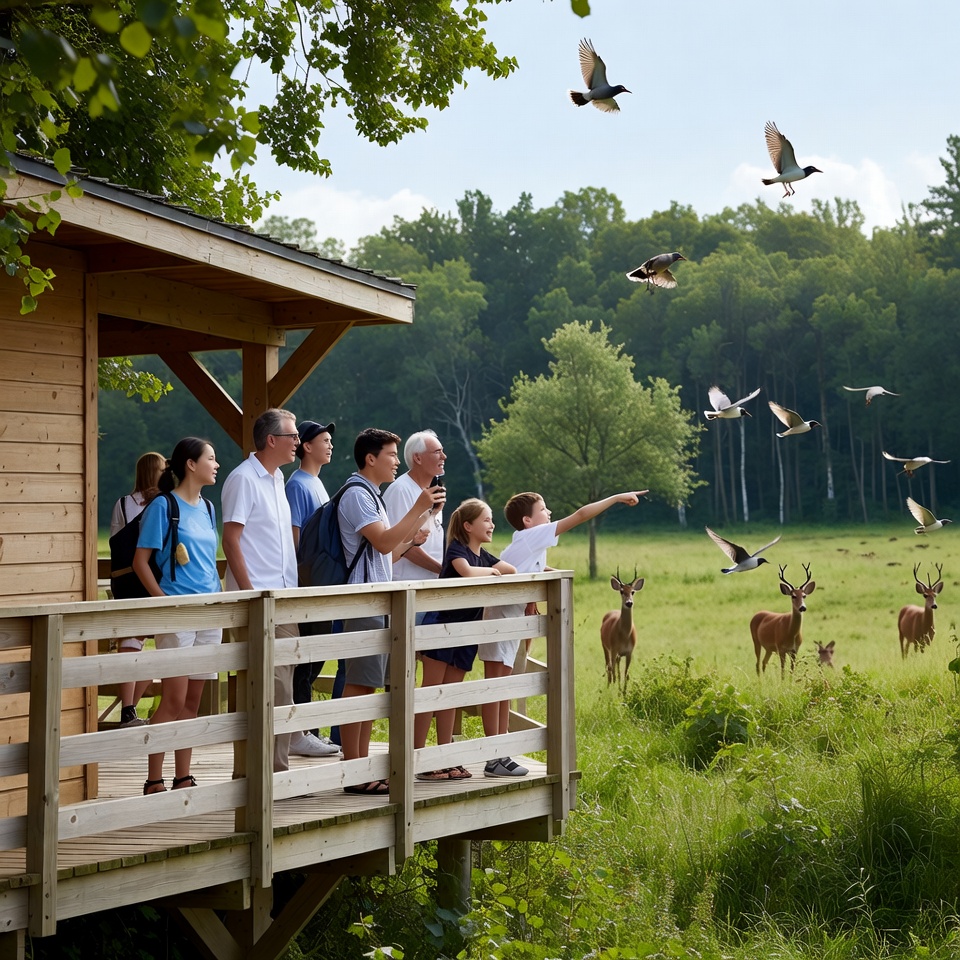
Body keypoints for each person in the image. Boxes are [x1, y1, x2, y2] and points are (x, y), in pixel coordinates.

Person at [479, 488, 647, 778]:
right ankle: (494, 758)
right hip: (499, 621)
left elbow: (533, 567)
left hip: (508, 621)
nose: (550, 514)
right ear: (528, 521)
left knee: (502, 688)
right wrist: (617, 497)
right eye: (544, 510)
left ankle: (500, 753)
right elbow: (581, 515)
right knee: (496, 687)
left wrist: (555, 573)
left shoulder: (529, 542)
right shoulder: (532, 536)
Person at [338, 428, 444, 795]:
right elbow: (383, 541)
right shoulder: (357, 495)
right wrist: (418, 509)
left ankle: (364, 766)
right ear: (371, 458)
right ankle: (354, 770)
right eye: (391, 455)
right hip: (363, 600)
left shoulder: (374, 496)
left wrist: (417, 527)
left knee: (368, 685)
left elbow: (389, 551)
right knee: (359, 684)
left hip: (377, 600)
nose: (397, 462)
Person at [132, 438, 222, 795]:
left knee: (191, 702)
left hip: (210, 614)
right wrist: (164, 603)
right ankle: (154, 779)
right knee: (172, 701)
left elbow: (208, 564)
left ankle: (182, 776)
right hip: (177, 615)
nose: (217, 465)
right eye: (211, 459)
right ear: (190, 464)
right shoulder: (163, 506)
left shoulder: (208, 507)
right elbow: (141, 562)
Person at [221, 408, 301, 774]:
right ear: (272, 440)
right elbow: (231, 539)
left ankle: (273, 770)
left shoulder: (277, 477)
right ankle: (258, 774)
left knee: (283, 687)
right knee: (265, 688)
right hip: (258, 600)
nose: (298, 442)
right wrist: (251, 595)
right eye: (293, 436)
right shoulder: (243, 479)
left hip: (284, 598)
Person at [414, 499, 515, 782]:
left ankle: (444, 757)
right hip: (441, 627)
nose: (492, 524)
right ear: (468, 526)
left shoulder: (485, 556)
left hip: (467, 634)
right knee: (431, 693)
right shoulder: (456, 550)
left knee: (451, 695)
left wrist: (494, 569)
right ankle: (419, 758)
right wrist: (492, 572)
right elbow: (466, 572)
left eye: (492, 519)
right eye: (486, 520)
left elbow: (512, 571)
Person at [284, 420, 341, 758]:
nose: (330, 445)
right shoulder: (297, 486)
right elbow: (295, 538)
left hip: (321, 585)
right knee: (305, 663)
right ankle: (301, 732)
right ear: (307, 446)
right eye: (324, 440)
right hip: (307, 586)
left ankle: (309, 730)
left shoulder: (317, 484)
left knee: (315, 658)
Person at [109, 451, 166, 727]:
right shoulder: (164, 503)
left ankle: (127, 710)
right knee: (167, 645)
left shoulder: (121, 504)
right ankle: (130, 709)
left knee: (130, 644)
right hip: (152, 579)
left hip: (124, 581)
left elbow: (115, 542)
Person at [383, 430, 446, 589]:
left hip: (430, 586)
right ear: (417, 458)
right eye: (437, 452)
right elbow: (401, 545)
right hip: (407, 588)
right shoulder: (401, 490)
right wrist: (444, 571)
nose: (444, 457)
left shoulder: (433, 491)